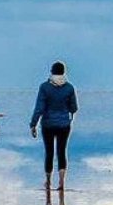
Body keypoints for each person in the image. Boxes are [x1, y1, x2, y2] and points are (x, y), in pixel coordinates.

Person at [29, 61, 78, 192]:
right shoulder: (69, 88)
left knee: (49, 152)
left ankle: (48, 181)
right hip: (64, 124)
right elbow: (74, 108)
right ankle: (62, 182)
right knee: (62, 152)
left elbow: (39, 108)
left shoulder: (44, 87)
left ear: (51, 72)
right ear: (63, 72)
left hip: (48, 124)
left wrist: (33, 124)